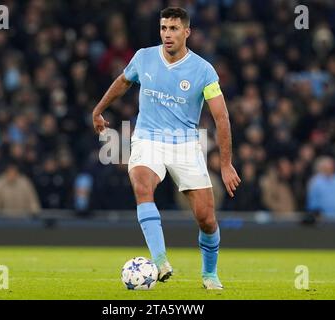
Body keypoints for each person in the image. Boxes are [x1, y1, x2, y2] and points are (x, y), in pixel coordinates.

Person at [92, 7, 240, 289]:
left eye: (173, 29)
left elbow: (221, 117)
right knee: (141, 184)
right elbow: (123, 82)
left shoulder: (203, 70)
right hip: (147, 138)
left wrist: (225, 163)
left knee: (206, 219)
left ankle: (209, 274)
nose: (167, 34)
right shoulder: (144, 57)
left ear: (187, 32)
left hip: (185, 144)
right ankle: (160, 262)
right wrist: (99, 109)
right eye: (163, 28)